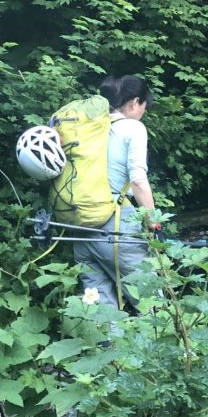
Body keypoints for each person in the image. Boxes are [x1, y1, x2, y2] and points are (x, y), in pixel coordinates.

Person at [74, 75, 158, 309]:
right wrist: (153, 222)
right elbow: (138, 181)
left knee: (101, 310)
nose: (143, 113)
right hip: (116, 225)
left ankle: (106, 337)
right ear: (135, 102)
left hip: (79, 224)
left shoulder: (90, 127)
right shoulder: (133, 128)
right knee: (151, 302)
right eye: (144, 107)